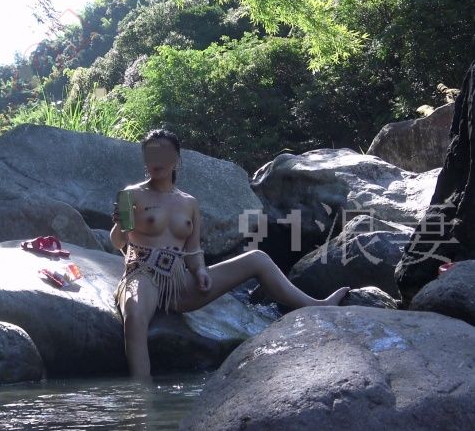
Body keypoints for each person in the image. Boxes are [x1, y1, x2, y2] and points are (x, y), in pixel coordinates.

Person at [110, 128, 350, 379]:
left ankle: (317, 305)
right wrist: (120, 226)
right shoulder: (131, 194)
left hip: (179, 282)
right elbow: (117, 242)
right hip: (143, 274)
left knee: (258, 259)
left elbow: (193, 250)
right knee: (135, 318)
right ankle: (141, 395)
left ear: (176, 160)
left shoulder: (189, 202)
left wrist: (200, 271)